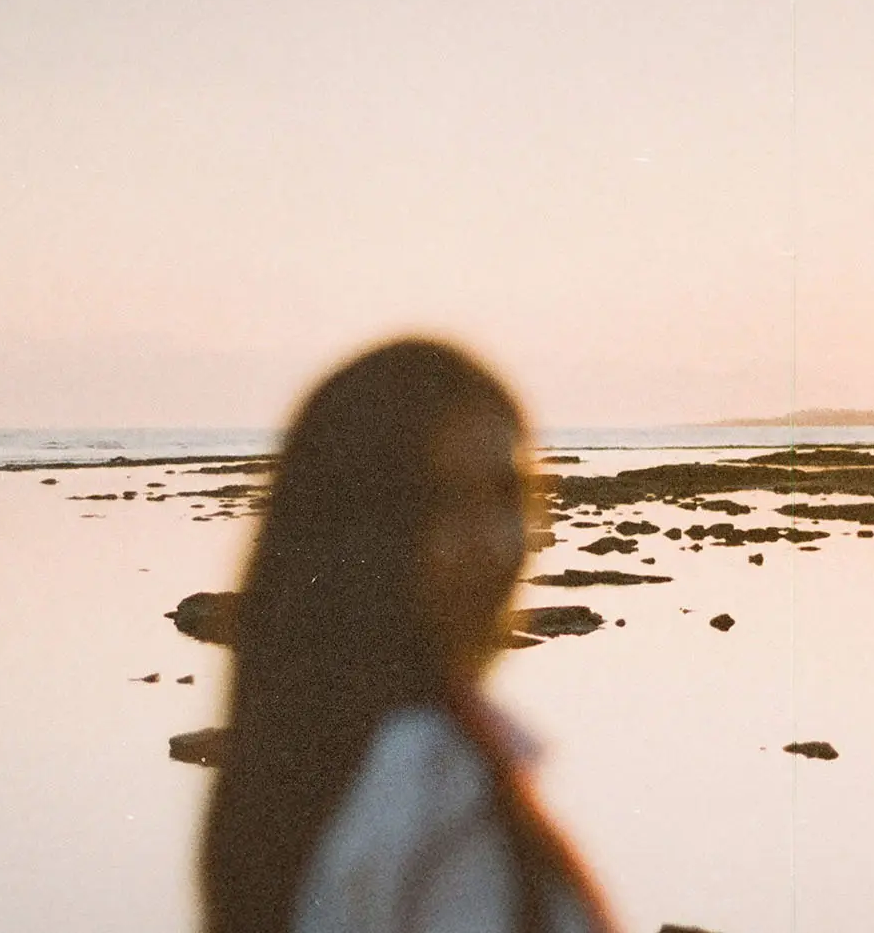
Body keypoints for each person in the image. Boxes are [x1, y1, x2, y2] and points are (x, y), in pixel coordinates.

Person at [200, 337, 619, 933]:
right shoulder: (428, 780)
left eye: (507, 494)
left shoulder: (302, 775)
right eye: (443, 500)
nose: (495, 543)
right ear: (355, 532)